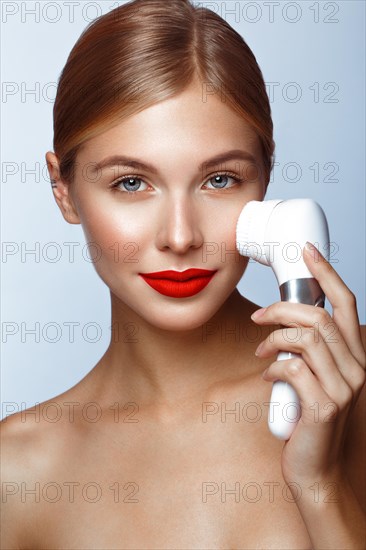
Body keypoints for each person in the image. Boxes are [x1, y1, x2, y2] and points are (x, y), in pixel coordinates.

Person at [2, 0, 365, 548]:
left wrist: (320, 485)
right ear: (63, 189)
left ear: (266, 178)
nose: (180, 236)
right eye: (130, 183)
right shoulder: (19, 469)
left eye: (219, 180)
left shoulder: (346, 391)